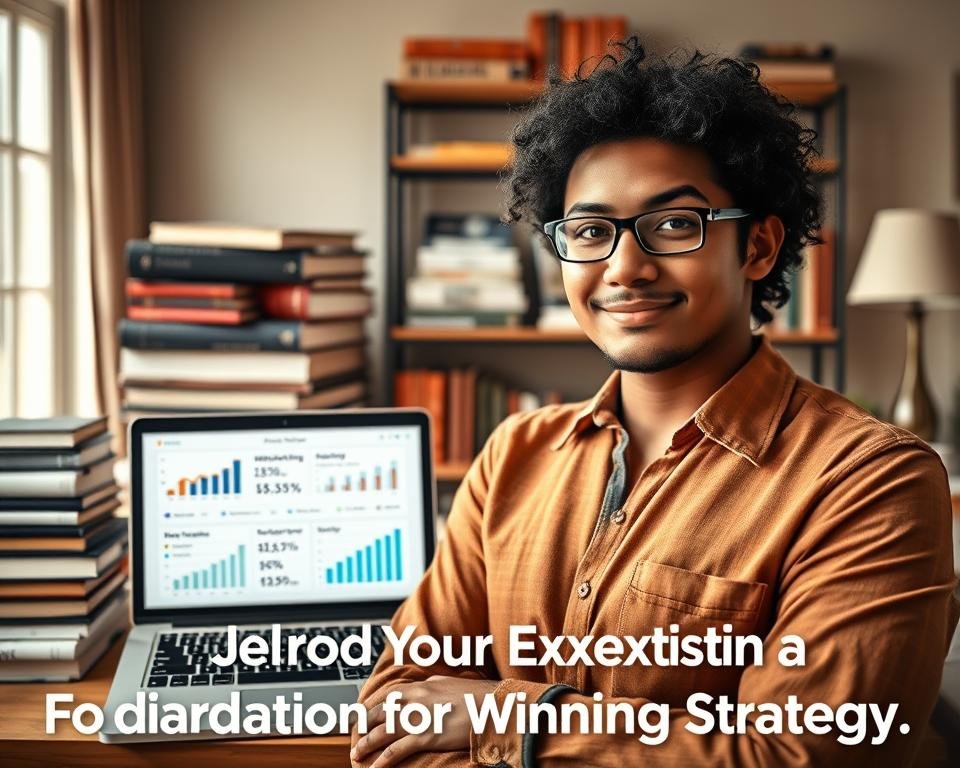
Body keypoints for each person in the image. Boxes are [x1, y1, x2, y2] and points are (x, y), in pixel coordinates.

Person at [351, 38, 959, 767]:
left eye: (675, 224)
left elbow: (807, 755)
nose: (624, 267)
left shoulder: (870, 480)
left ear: (759, 247)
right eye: (589, 231)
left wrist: (508, 715)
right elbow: (396, 709)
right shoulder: (511, 454)